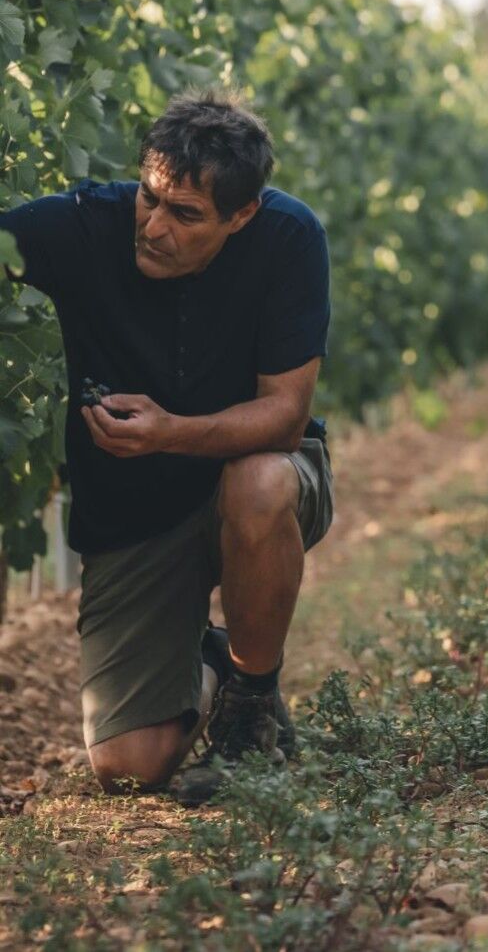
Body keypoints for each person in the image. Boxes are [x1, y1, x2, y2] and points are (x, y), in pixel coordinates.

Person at [0, 89, 333, 805]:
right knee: (126, 766)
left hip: (247, 485)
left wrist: (168, 432)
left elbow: (284, 416)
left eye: (185, 215)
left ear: (241, 216)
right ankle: (211, 662)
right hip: (133, 517)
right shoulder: (88, 225)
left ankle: (249, 708)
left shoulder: (288, 239)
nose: (153, 226)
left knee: (260, 482)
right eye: (150, 198)